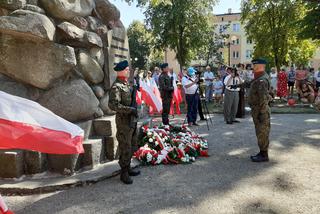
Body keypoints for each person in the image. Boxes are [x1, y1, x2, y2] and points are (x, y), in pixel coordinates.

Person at [109, 60, 140, 184]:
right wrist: (130, 110)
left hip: (131, 119)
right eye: (126, 69)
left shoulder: (127, 85)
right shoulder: (116, 86)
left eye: (128, 69)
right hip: (124, 121)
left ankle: (128, 167)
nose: (128, 71)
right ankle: (124, 172)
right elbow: (113, 105)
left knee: (132, 144)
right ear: (120, 71)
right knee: (125, 146)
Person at [248, 58, 272, 162]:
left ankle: (264, 155)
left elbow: (263, 99)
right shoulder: (260, 77)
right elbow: (251, 84)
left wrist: (261, 113)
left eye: (255, 66)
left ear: (259, 66)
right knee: (260, 132)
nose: (253, 67)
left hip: (260, 110)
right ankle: (262, 152)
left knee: (262, 132)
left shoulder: (262, 80)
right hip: (258, 109)